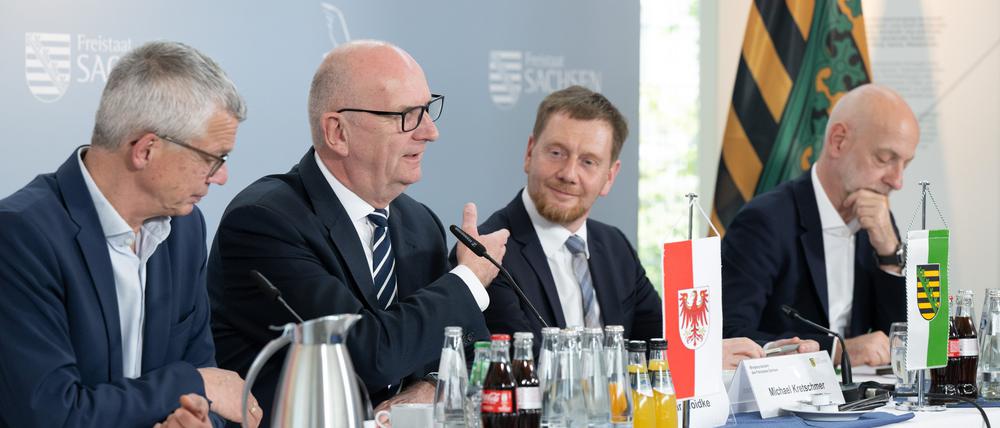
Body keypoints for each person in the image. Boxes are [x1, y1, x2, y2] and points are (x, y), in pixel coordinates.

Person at [208, 40, 509, 420]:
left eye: (428, 110)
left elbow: (469, 351)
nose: (429, 132)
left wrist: (432, 385)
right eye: (407, 115)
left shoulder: (420, 223)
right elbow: (364, 354)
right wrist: (469, 278)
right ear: (337, 132)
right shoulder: (264, 222)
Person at [0, 41, 259, 428]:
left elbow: (211, 388)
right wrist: (188, 384)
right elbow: (50, 413)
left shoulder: (186, 229)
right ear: (145, 150)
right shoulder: (21, 235)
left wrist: (197, 421)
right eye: (212, 158)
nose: (221, 177)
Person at [476, 86, 817, 367]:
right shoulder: (488, 251)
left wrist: (763, 350)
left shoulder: (614, 247)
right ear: (529, 152)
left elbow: (661, 339)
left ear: (609, 176)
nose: (569, 173)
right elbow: (525, 365)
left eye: (588, 161)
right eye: (556, 153)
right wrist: (699, 361)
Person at [721, 84, 919, 367]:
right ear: (838, 141)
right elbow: (729, 337)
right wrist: (837, 350)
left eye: (905, 164)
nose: (897, 181)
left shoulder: (879, 223)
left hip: (859, 401)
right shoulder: (764, 221)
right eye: (885, 159)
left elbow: (899, 341)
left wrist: (889, 252)